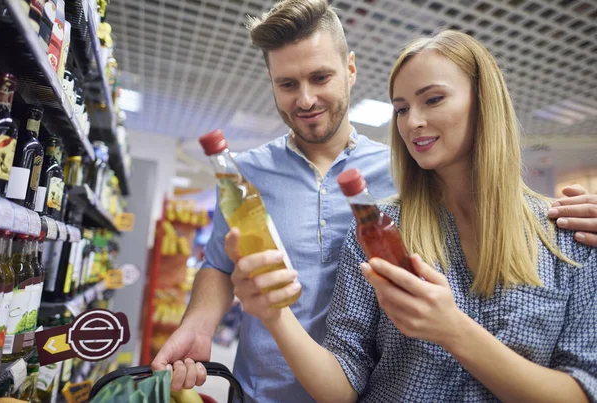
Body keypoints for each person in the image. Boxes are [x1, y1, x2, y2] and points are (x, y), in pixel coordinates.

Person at [152, 1, 597, 400]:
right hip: (265, 389)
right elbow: (218, 263)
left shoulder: (408, 173)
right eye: (287, 83)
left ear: (350, 70)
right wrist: (198, 324)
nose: (305, 98)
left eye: (320, 77)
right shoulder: (245, 174)